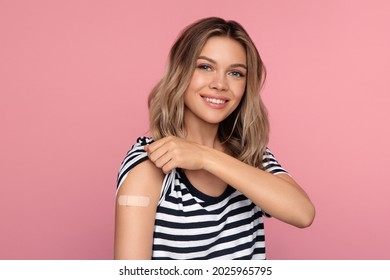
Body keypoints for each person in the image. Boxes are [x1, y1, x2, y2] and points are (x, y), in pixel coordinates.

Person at [114, 17, 315, 260]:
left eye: (235, 73)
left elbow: (303, 214)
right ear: (181, 72)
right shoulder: (151, 164)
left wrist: (206, 157)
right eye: (205, 67)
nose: (220, 84)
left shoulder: (249, 155)